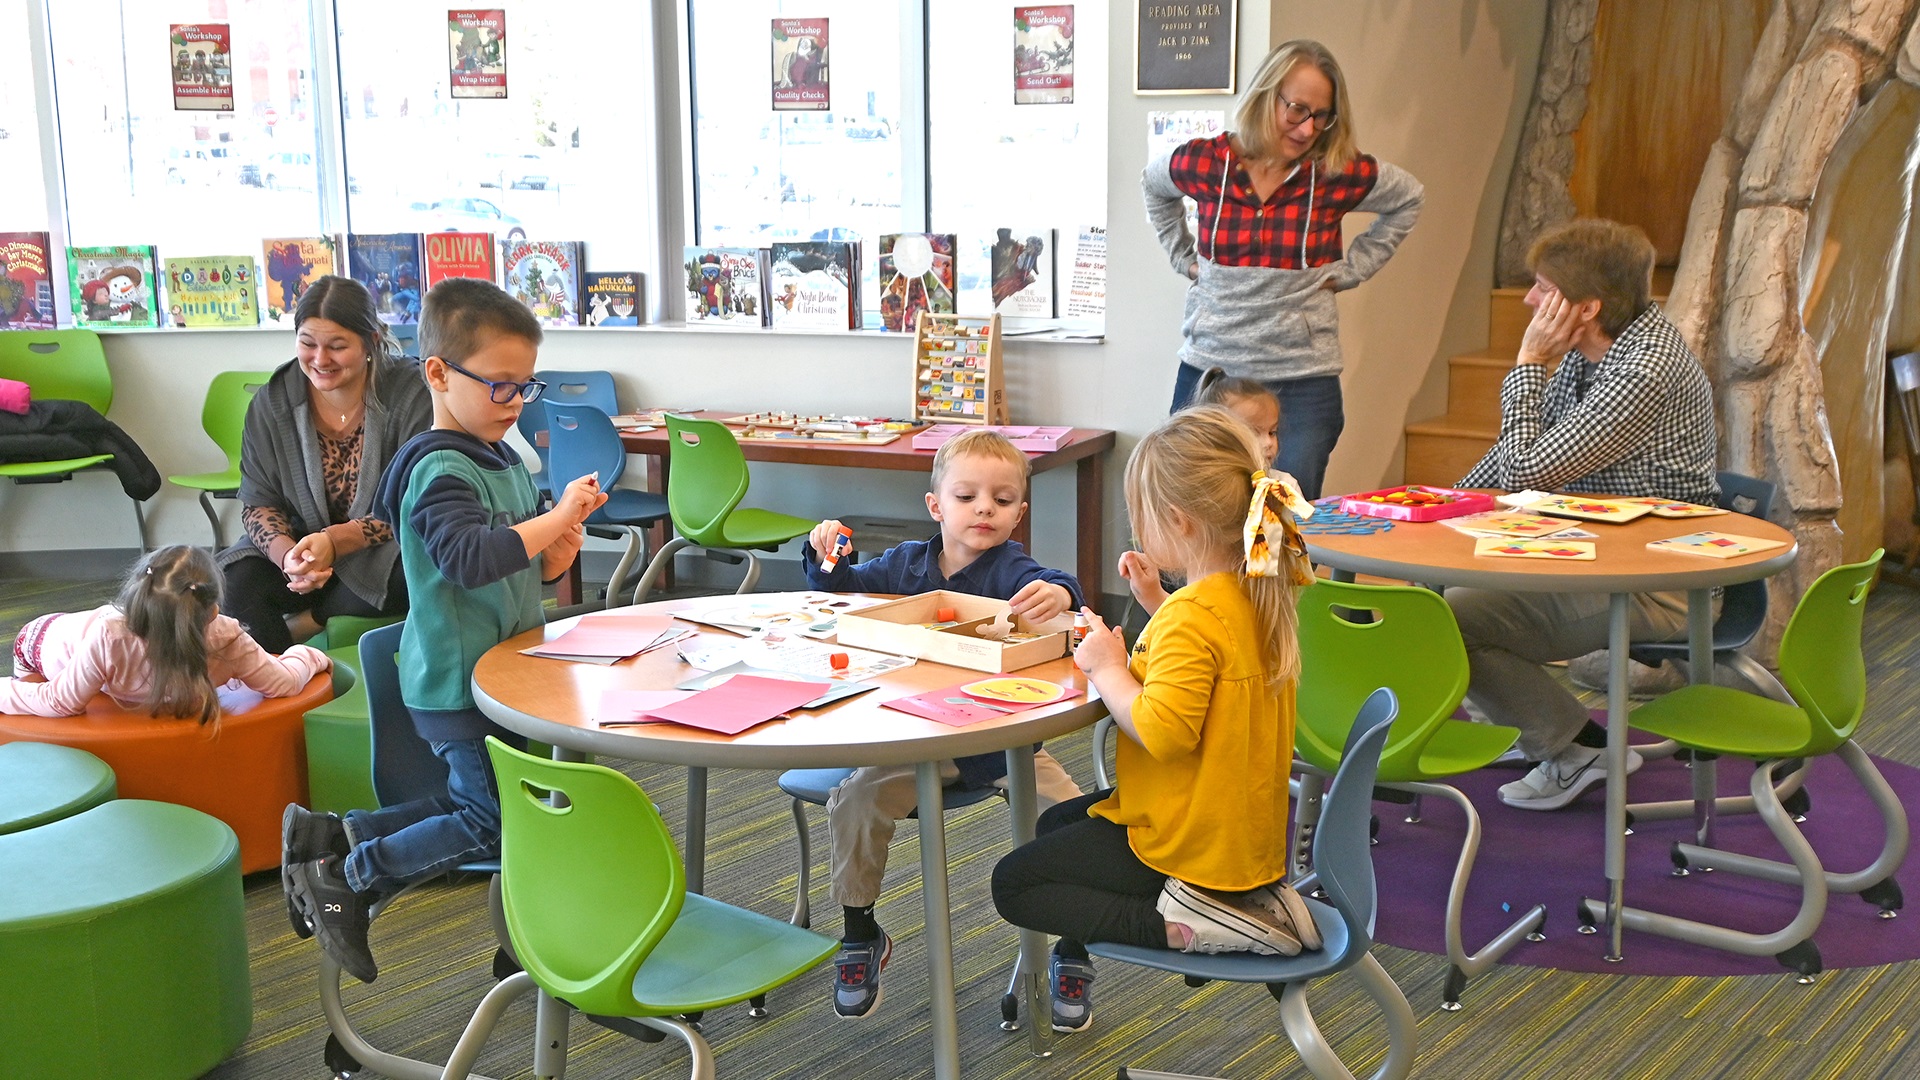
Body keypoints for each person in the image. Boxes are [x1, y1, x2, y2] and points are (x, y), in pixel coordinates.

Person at [281, 278, 607, 983]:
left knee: (481, 802)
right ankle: (351, 875)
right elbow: (464, 560)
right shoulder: (438, 466)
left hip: (499, 676)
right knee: (492, 820)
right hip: (457, 683)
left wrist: (553, 558)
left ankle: (338, 835)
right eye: (500, 386)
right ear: (437, 373)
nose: (516, 403)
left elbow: (511, 566)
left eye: (527, 386)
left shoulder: (501, 458)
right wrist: (554, 519)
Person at [992, 406, 1320, 1034]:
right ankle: (1237, 899)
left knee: (1015, 884)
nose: (1139, 529)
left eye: (1142, 517)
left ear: (1179, 521)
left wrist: (1107, 668)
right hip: (1236, 826)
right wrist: (1156, 604)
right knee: (1062, 819)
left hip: (1189, 834)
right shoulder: (1253, 591)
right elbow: (1211, 670)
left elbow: (1164, 733)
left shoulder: (1194, 617)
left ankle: (1187, 923)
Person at [801, 428, 1086, 1019]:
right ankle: (860, 932)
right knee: (854, 801)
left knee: (1072, 819)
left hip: (1003, 745)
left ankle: (1072, 944)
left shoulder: (1010, 569)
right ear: (936, 506)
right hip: (914, 743)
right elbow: (842, 589)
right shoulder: (906, 563)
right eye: (967, 496)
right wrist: (827, 552)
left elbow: (1058, 585)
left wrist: (1059, 597)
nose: (985, 508)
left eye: (1002, 501)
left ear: (1019, 515)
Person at [1452, 218, 1719, 811]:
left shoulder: (1643, 369)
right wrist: (1447, 504)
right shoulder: (1593, 350)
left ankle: (1574, 751)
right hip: (1599, 552)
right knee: (1443, 584)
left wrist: (1526, 362)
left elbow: (1528, 471)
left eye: (1542, 289)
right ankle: (1543, 731)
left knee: (1459, 617)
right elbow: (1516, 453)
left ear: (1587, 306)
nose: (1528, 300)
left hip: (1660, 581)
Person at [1143, 39, 1424, 500]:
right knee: (1191, 508)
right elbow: (1155, 186)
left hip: (1302, 380)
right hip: (1211, 368)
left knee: (1289, 522)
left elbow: (1408, 198)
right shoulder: (1208, 161)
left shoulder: (1336, 172)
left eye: (1322, 115)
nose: (1308, 127)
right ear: (1264, 95)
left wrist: (1353, 269)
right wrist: (1183, 257)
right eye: (1296, 109)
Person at [218, 276, 433, 654]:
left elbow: (413, 500)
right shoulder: (273, 402)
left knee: (425, 565)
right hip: (304, 547)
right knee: (232, 582)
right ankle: (276, 684)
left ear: (371, 342)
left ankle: (307, 625)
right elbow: (258, 504)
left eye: (337, 346)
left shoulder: (411, 394)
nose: (320, 360)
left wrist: (334, 542)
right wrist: (291, 557)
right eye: (307, 344)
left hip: (383, 548)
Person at [2, 545, 330, 719]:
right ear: (214, 609)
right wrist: (311, 655)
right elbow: (59, 700)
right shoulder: (109, 637)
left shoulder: (226, 638)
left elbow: (280, 685)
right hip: (41, 643)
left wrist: (306, 658)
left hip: (98, 644)